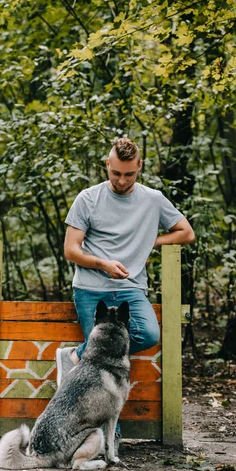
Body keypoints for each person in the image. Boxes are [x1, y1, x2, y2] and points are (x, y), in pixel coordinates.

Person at [56, 138, 194, 443]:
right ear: (107, 165)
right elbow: (70, 249)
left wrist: (150, 243)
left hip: (131, 288)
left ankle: (75, 359)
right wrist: (103, 264)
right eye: (116, 173)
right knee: (102, 372)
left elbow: (186, 232)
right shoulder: (88, 199)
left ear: (139, 167)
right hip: (92, 288)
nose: (121, 180)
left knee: (149, 334)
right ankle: (110, 437)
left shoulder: (153, 199)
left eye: (129, 174)